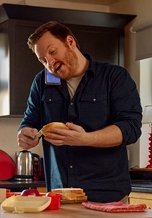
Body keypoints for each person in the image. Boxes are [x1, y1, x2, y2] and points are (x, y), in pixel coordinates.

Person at [17, 21, 143, 203]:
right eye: (43, 60)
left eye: (52, 52)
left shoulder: (115, 77)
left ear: (70, 42)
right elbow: (30, 120)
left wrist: (86, 139)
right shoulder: (41, 82)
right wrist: (24, 133)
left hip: (109, 196)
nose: (50, 63)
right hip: (61, 197)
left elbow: (130, 128)